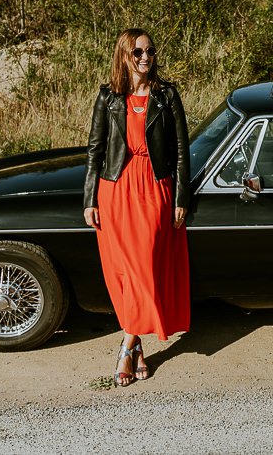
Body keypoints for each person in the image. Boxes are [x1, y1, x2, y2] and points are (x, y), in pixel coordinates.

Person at [83, 28, 191, 387]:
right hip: (115, 189)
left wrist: (181, 199)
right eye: (138, 52)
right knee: (124, 273)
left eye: (150, 51)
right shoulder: (108, 97)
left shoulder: (167, 96)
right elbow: (95, 152)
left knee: (146, 268)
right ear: (124, 55)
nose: (146, 57)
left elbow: (180, 152)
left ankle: (126, 344)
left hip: (154, 188)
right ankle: (137, 346)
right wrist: (89, 199)